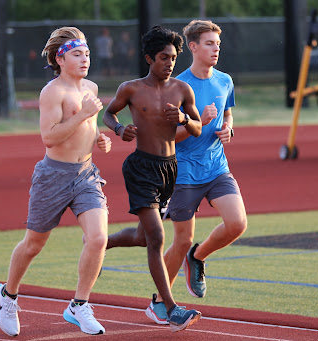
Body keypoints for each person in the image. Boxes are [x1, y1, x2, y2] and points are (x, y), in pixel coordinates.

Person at [0, 26, 112, 337]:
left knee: (98, 238)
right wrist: (84, 115)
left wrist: (98, 137)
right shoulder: (52, 92)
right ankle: (8, 296)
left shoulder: (92, 87)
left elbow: (86, 129)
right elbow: (49, 137)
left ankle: (79, 305)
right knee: (34, 244)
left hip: (86, 174)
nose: (85, 59)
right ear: (60, 58)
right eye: (77, 53)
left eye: (87, 53)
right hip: (53, 177)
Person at [146, 20, 248, 324]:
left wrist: (229, 128)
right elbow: (167, 136)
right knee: (180, 240)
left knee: (237, 223)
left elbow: (227, 113)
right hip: (184, 174)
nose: (216, 49)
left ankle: (199, 256)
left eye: (217, 43)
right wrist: (198, 124)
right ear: (192, 47)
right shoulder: (176, 87)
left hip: (217, 168)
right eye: (209, 43)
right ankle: (158, 303)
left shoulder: (225, 80)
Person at [102, 26, 202, 332]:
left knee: (144, 236)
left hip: (169, 169)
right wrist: (120, 130)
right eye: (163, 57)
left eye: (173, 58)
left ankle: (98, 243)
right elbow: (108, 114)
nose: (169, 63)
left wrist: (184, 119)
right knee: (158, 238)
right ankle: (170, 309)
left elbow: (197, 127)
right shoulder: (131, 89)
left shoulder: (183, 90)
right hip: (141, 168)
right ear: (149, 58)